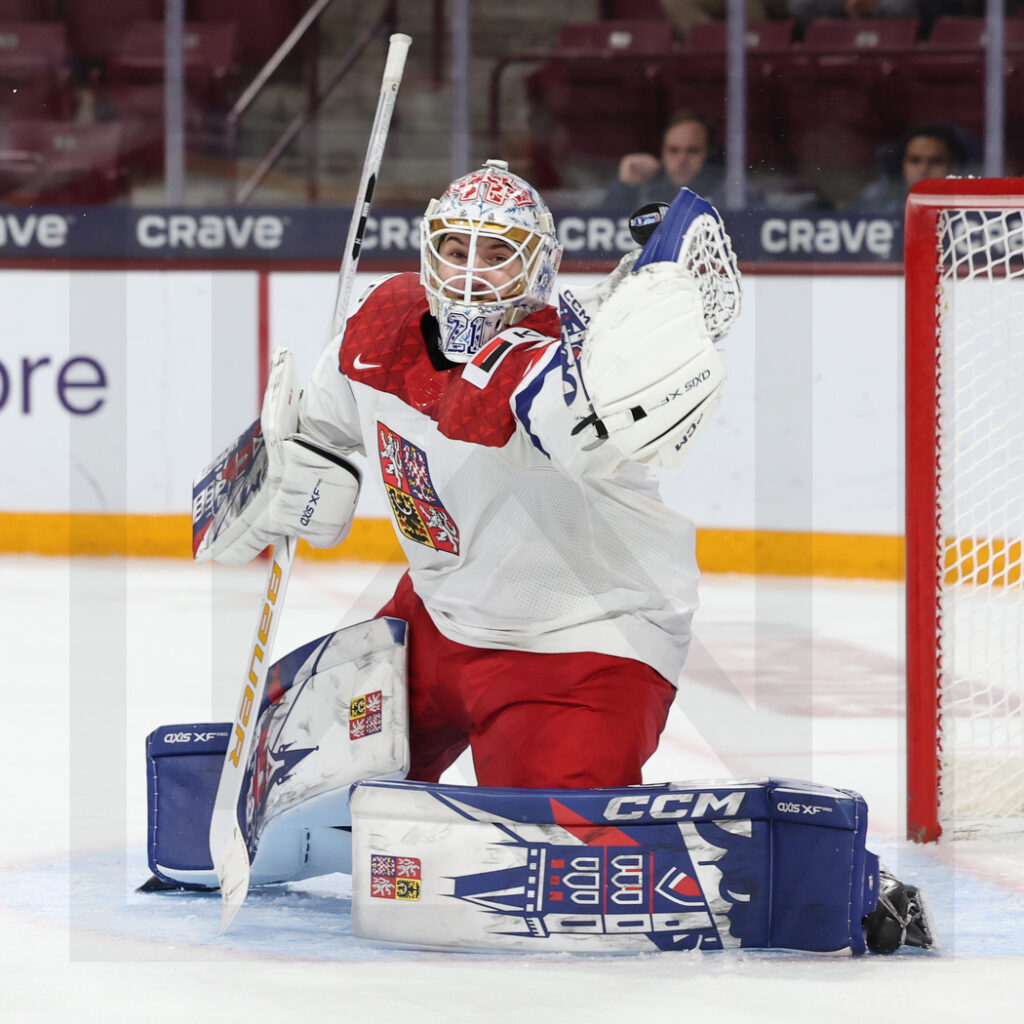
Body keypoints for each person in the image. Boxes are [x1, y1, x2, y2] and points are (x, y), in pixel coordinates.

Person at [228, 159, 735, 792]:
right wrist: (287, 465)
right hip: (434, 619)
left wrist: (646, 332)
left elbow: (572, 412)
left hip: (579, 644)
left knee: (554, 842)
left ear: (539, 268)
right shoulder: (383, 322)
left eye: (498, 254)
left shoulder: (556, 366)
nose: (469, 272)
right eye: (454, 249)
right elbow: (322, 424)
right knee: (295, 775)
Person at [604, 110, 724, 213]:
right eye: (673, 150)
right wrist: (625, 187)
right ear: (663, 152)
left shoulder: (728, 194)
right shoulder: (646, 191)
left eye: (693, 151)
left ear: (710, 153)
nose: (682, 160)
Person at [852, 121, 973, 211]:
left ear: (954, 166)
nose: (924, 169)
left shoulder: (972, 205)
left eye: (935, 161)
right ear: (902, 164)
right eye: (915, 160)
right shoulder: (874, 202)